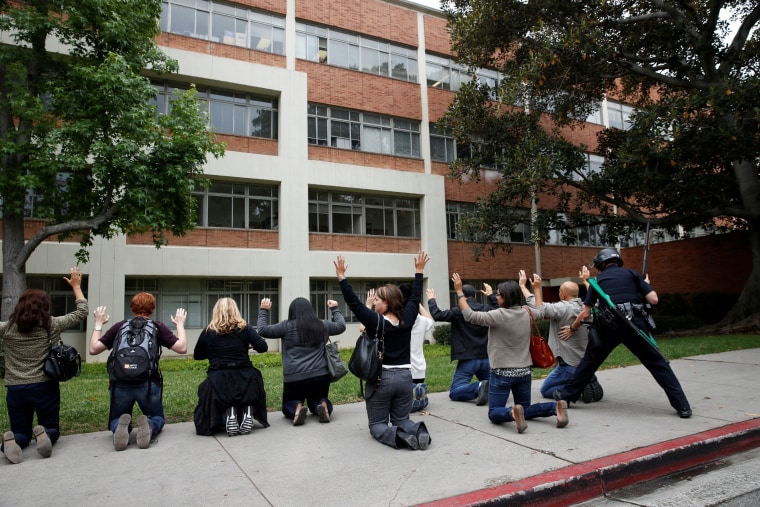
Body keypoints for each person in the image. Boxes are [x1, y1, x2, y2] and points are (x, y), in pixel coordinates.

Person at [553, 247, 693, 418]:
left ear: (601, 264)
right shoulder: (633, 274)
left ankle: (566, 397)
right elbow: (653, 299)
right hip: (634, 325)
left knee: (589, 361)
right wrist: (644, 284)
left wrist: (573, 328)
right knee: (657, 364)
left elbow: (586, 313)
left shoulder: (597, 281)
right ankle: (683, 406)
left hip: (608, 327)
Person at [333, 251, 432, 450]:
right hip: (406, 378)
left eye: (377, 299)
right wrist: (419, 271)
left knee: (378, 425)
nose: (374, 302)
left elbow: (353, 303)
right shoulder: (408, 318)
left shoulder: (376, 322)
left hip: (382, 380)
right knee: (402, 419)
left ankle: (401, 439)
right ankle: (419, 432)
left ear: (388, 303)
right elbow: (414, 297)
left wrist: (342, 277)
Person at [452, 272, 568, 434]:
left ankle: (511, 413)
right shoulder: (527, 312)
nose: (496, 297)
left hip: (502, 373)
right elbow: (541, 312)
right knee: (525, 408)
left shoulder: (498, 315)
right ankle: (554, 407)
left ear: (505, 298)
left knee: (494, 412)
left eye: (498, 295)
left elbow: (470, 316)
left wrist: (459, 291)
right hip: (524, 372)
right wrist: (536, 289)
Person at [1, 268, 88, 464]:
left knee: (20, 431)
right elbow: (82, 312)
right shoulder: (52, 325)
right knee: (51, 426)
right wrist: (76, 286)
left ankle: (13, 441)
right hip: (44, 385)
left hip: (15, 388)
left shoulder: (7, 328)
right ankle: (45, 434)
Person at [89, 293, 187, 450]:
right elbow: (182, 348)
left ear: (132, 308)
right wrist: (180, 324)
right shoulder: (156, 326)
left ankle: (119, 427)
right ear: (152, 309)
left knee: (116, 418)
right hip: (148, 383)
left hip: (120, 383)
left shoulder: (120, 326)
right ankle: (149, 425)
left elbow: (94, 349)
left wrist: (98, 323)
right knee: (157, 417)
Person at [257, 297, 346, 425]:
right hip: (320, 375)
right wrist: (335, 309)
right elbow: (341, 326)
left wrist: (263, 310)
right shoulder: (321, 325)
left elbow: (263, 330)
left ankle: (296, 408)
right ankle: (323, 405)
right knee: (318, 398)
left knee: (289, 402)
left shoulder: (285, 326)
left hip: (294, 377)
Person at [520, 268, 603, 402]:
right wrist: (586, 281)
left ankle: (578, 386)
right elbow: (597, 299)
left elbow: (538, 308)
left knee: (545, 390)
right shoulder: (588, 308)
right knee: (567, 375)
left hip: (568, 363)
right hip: (585, 361)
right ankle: (585, 378)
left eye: (559, 291)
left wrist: (525, 287)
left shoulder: (562, 308)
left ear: (563, 294)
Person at [193, 298, 269, 436]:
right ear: (235, 310)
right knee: (254, 378)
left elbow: (197, 355)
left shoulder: (208, 331)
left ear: (216, 311)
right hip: (245, 376)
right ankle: (247, 410)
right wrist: (248, 344)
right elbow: (263, 347)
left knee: (212, 389)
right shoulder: (245, 328)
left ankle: (229, 414)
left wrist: (214, 351)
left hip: (218, 378)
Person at [426, 283, 497, 405]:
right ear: (475, 295)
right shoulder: (486, 309)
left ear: (460, 296)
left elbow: (437, 315)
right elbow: (501, 310)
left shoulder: (458, 311)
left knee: (455, 391)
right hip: (486, 357)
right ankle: (495, 389)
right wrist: (491, 296)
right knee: (494, 386)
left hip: (467, 358)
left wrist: (431, 299)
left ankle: (479, 387)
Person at [398, 283, 434, 412]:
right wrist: (417, 304)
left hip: (400, 369)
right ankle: (416, 394)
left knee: (399, 398)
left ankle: (408, 399)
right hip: (419, 368)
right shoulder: (422, 321)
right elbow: (430, 319)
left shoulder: (395, 320)